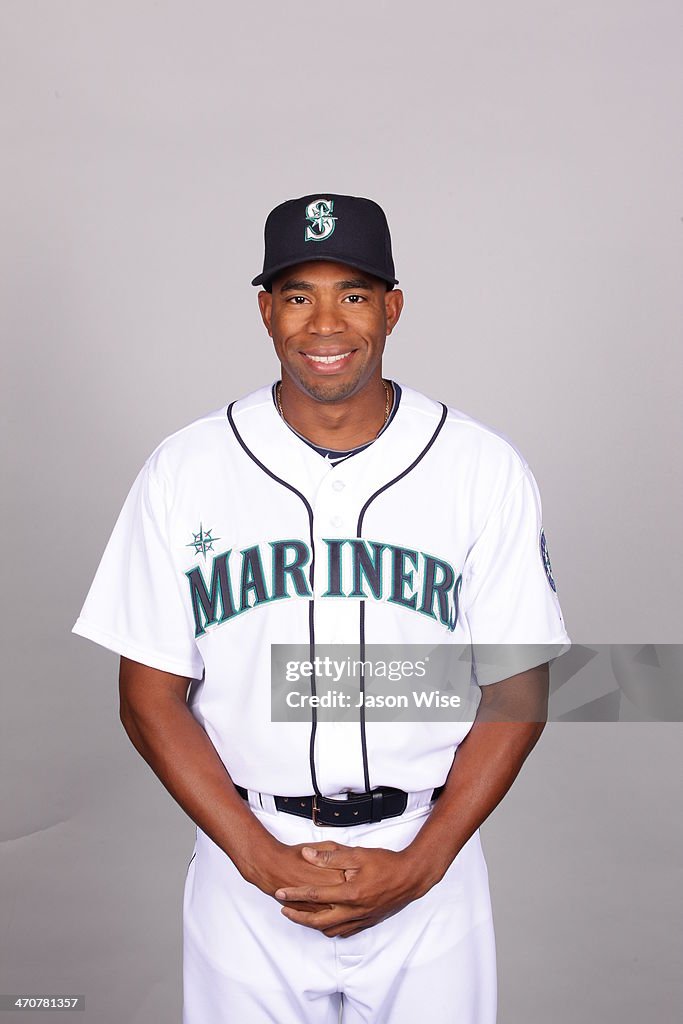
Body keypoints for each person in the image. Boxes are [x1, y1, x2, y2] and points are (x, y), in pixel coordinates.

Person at [72, 193, 571, 1023]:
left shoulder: (480, 468)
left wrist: (422, 866)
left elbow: (516, 690)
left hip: (427, 859)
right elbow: (147, 695)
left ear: (392, 308)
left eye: (353, 294)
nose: (324, 323)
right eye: (299, 295)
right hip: (244, 863)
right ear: (266, 312)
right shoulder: (185, 469)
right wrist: (259, 859)